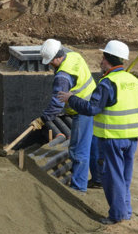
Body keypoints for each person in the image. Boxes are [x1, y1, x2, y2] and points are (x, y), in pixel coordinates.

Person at [58, 40, 138, 224]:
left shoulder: (107, 83)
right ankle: (125, 212)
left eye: (103, 58)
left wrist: (71, 99)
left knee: (113, 178)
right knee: (124, 177)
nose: (101, 61)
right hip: (132, 137)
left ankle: (117, 216)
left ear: (108, 59)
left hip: (112, 138)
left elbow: (92, 109)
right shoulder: (133, 81)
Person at [39, 39, 96, 193]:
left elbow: (57, 104)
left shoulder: (63, 77)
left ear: (57, 57)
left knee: (79, 150)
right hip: (93, 103)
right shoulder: (73, 56)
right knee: (93, 145)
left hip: (82, 110)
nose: (49, 65)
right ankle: (97, 179)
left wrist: (43, 119)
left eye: (50, 62)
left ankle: (78, 188)